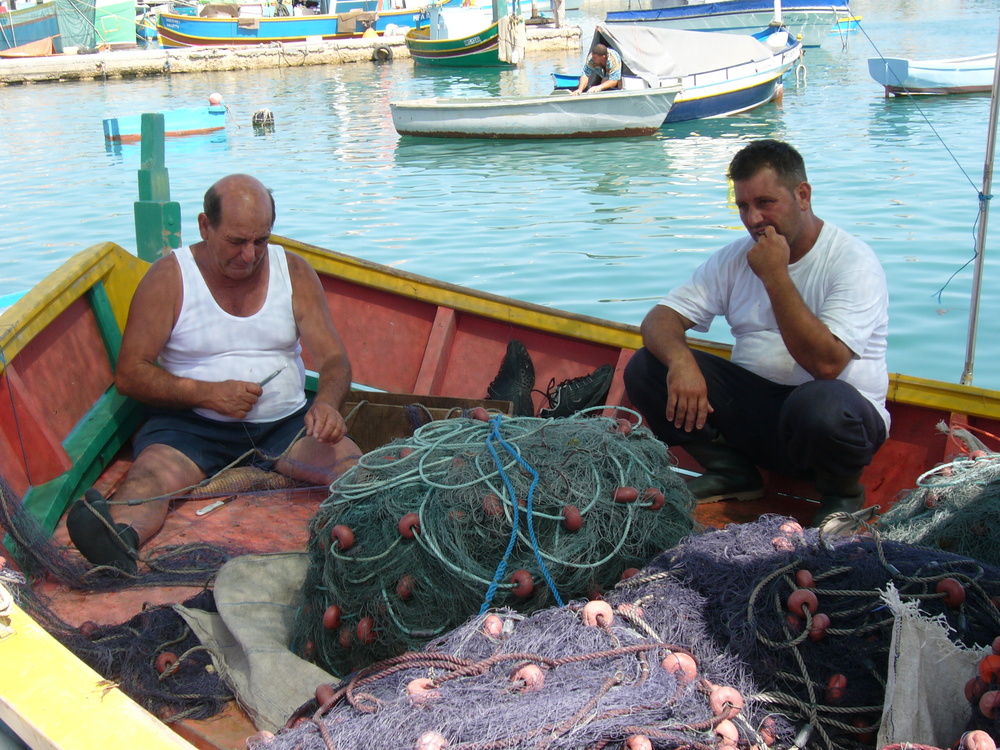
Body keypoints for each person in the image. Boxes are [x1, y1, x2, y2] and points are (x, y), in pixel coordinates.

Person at [67, 174, 362, 573]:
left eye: (261, 241)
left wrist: (326, 404)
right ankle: (117, 542)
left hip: (287, 424)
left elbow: (334, 360)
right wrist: (206, 394)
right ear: (206, 226)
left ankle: (368, 544)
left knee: (357, 473)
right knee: (150, 479)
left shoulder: (293, 271)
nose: (250, 255)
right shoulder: (170, 278)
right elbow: (131, 374)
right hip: (191, 427)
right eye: (237, 241)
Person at [623, 140, 889, 527]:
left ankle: (842, 497)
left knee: (821, 402)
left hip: (830, 425)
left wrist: (776, 275)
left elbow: (827, 364)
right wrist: (681, 361)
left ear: (803, 195)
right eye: (743, 206)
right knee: (647, 366)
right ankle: (733, 472)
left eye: (765, 203)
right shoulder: (733, 257)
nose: (753, 219)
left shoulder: (852, 261)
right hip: (758, 419)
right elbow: (659, 318)